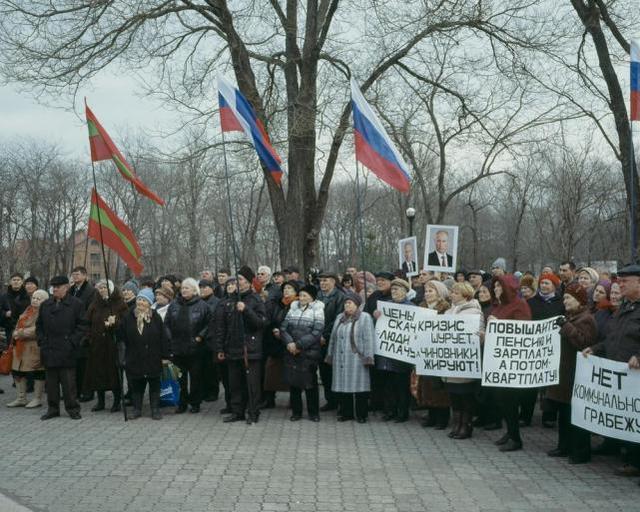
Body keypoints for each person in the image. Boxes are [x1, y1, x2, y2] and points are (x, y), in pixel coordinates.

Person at [583, 264, 640, 479]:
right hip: (621, 375)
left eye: (625, 281)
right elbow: (612, 337)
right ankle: (623, 451)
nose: (620, 285)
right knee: (625, 415)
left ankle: (635, 460)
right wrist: (596, 349)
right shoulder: (625, 307)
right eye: (620, 280)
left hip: (635, 376)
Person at [546, 283, 596, 464]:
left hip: (576, 373)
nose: (565, 301)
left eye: (568, 298)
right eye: (564, 298)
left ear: (579, 300)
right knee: (564, 412)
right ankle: (564, 446)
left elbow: (584, 343)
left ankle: (581, 451)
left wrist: (566, 327)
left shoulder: (586, 319)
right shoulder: (570, 317)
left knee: (576, 415)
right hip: (564, 373)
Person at [214, 266, 267, 424]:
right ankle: (237, 412)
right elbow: (222, 326)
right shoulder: (230, 300)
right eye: (236, 279)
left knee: (251, 384)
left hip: (250, 349)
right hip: (232, 348)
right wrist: (220, 348)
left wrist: (246, 310)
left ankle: (253, 412)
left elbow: (261, 323)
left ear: (249, 282)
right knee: (235, 383)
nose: (237, 283)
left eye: (241, 280)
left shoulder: (255, 299)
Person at [489, 274, 532, 451]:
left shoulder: (520, 305)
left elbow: (523, 331)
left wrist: (498, 324)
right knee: (501, 399)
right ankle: (510, 432)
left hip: (512, 362)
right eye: (495, 287)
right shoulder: (499, 306)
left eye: (499, 286)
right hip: (498, 361)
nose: (496, 289)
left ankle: (516, 439)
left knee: (510, 400)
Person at [37, 275, 88, 420]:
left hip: (67, 350)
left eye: (58, 287)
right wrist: (42, 341)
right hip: (49, 348)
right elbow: (39, 325)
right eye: (53, 287)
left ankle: (73, 409)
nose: (54, 289)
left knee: (68, 383)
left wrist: (72, 342)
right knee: (51, 383)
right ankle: (53, 409)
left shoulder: (76, 304)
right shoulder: (46, 305)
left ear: (66, 287)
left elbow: (82, 325)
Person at [118, 288, 170, 420]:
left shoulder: (155, 317)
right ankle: (137, 409)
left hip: (153, 357)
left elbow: (163, 337)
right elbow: (121, 336)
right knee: (136, 385)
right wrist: (113, 326)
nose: (140, 302)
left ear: (149, 303)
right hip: (135, 357)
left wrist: (165, 357)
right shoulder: (128, 316)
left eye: (144, 300)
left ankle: (155, 409)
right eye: (139, 299)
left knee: (154, 384)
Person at [443, 282, 484, 439]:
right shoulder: (448, 312)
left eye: (455, 292)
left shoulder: (475, 312)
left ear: (465, 295)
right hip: (451, 363)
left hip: (464, 364)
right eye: (452, 292)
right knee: (454, 396)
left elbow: (479, 336)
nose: (451, 295)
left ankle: (466, 426)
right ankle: (457, 424)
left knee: (465, 396)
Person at [522, 273, 564, 428]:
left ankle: (549, 416)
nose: (544, 286)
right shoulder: (531, 302)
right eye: (542, 283)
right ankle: (525, 416)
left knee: (549, 384)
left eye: (547, 283)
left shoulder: (561, 302)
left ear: (554, 285)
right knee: (530, 384)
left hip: (552, 347)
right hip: (533, 348)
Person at [326, 292, 375, 423]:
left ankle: (361, 414)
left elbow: (369, 338)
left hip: (357, 358)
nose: (347, 305)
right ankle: (346, 413)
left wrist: (368, 356)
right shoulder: (339, 317)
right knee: (343, 386)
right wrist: (330, 355)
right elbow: (333, 338)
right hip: (340, 358)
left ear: (357, 305)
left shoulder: (364, 317)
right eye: (345, 303)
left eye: (350, 303)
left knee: (359, 387)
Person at [165, 277, 211, 414]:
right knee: (180, 378)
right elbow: (166, 323)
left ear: (194, 290)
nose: (184, 290)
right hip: (177, 347)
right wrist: (170, 338)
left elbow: (210, 324)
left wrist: (200, 337)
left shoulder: (203, 306)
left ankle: (195, 403)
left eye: (187, 288)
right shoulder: (174, 304)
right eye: (183, 288)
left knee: (196, 377)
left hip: (195, 348)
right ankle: (182, 403)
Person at [279, 284, 324, 421]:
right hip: (291, 351)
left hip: (308, 352)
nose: (302, 298)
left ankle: (313, 413)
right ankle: (296, 412)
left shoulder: (318, 310)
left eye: (306, 295)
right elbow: (283, 328)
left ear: (312, 297)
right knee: (294, 384)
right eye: (301, 295)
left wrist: (299, 345)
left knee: (310, 384)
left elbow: (317, 332)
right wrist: (289, 343)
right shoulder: (293, 308)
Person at [83, 280, 129, 413]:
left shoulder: (120, 304)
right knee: (97, 373)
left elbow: (126, 323)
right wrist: (88, 337)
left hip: (112, 344)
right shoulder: (95, 304)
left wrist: (116, 322)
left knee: (114, 374)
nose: (102, 290)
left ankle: (116, 401)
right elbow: (87, 322)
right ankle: (101, 401)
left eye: (105, 287)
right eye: (100, 287)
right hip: (97, 345)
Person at [373, 278, 414, 423]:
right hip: (387, 355)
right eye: (393, 290)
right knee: (388, 385)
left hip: (402, 356)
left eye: (397, 289)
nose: (394, 292)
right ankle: (389, 411)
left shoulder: (411, 308)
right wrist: (377, 316)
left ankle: (402, 413)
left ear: (405, 291)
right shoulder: (386, 306)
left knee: (401, 386)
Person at [416, 279, 451, 428]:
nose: (427, 293)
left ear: (439, 293)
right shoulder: (421, 308)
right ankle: (431, 415)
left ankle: (442, 418)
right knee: (427, 385)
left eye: (431, 291)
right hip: (425, 352)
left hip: (440, 352)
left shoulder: (446, 309)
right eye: (426, 291)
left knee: (440, 387)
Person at [6, 289, 49, 408]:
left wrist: (20, 333)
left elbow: (38, 329)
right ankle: (21, 398)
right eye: (34, 297)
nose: (34, 300)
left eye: (38, 298)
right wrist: (16, 332)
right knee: (17, 372)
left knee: (38, 372)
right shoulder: (28, 309)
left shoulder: (45, 312)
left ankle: (37, 398)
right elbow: (18, 323)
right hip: (20, 348)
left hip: (34, 347)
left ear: (45, 301)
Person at [261, 281, 298, 409]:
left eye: (290, 288)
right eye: (285, 288)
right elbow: (272, 319)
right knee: (271, 372)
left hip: (291, 343)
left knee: (292, 374)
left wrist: (283, 333)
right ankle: (269, 399)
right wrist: (274, 329)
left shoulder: (298, 304)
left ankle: (294, 400)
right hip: (275, 344)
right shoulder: (278, 304)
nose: (286, 291)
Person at [364, 271, 394, 411]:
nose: (380, 282)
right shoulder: (374, 296)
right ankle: (375, 402)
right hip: (374, 340)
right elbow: (365, 314)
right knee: (375, 374)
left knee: (388, 377)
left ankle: (388, 405)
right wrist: (372, 314)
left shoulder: (395, 296)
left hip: (391, 344)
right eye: (378, 280)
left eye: (383, 280)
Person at [316, 272, 345, 412]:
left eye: (325, 281)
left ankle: (339, 401)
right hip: (317, 338)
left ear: (333, 282)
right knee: (324, 372)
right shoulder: (317, 295)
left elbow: (338, 319)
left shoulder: (340, 296)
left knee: (334, 371)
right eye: (321, 281)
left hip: (332, 339)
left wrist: (325, 335)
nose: (323, 283)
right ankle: (330, 400)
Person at [199, 279, 220, 403]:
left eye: (205, 287)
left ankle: (213, 392)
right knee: (201, 368)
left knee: (211, 368)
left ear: (212, 288)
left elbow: (213, 321)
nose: (202, 289)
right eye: (200, 287)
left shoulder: (216, 302)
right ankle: (203, 391)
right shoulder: (198, 301)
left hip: (211, 339)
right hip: (200, 340)